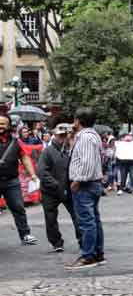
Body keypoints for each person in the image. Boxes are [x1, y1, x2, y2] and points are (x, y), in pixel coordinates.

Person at [66, 108, 106, 269]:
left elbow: (87, 162)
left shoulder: (86, 138)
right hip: (92, 183)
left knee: (87, 222)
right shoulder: (88, 137)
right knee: (93, 220)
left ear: (77, 121)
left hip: (86, 184)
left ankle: (88, 255)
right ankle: (97, 253)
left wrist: (78, 180)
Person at [37, 123, 81, 253]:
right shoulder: (48, 151)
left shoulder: (72, 149)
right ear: (54, 136)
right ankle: (56, 242)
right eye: (60, 135)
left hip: (70, 189)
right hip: (51, 191)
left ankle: (82, 240)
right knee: (50, 218)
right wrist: (55, 184)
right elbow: (41, 171)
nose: (62, 138)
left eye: (65, 135)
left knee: (77, 216)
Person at [0, 115, 40, 246]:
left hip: (12, 181)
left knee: (18, 207)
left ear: (9, 126)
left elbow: (25, 158)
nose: (1, 126)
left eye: (3, 124)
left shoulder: (16, 142)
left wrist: (33, 174)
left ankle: (25, 234)